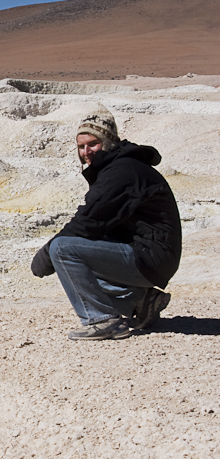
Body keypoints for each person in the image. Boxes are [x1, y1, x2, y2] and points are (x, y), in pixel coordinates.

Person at [31, 105, 181, 340]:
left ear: (108, 142)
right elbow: (97, 224)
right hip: (151, 254)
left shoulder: (122, 171)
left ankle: (101, 319)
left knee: (63, 249)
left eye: (93, 144)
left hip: (152, 255)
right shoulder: (118, 167)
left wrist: (48, 250)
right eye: (81, 147)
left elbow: (88, 220)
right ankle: (141, 301)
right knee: (75, 257)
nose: (86, 151)